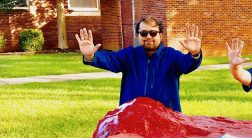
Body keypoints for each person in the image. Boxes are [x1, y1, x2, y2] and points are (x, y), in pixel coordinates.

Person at [75, 16, 203, 112]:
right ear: (138, 35)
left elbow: (187, 64)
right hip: (132, 117)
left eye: (153, 33)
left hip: (166, 118)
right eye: (143, 33)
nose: (148, 36)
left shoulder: (171, 56)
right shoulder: (129, 55)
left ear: (161, 36)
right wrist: (91, 56)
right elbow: (110, 59)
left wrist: (194, 54)